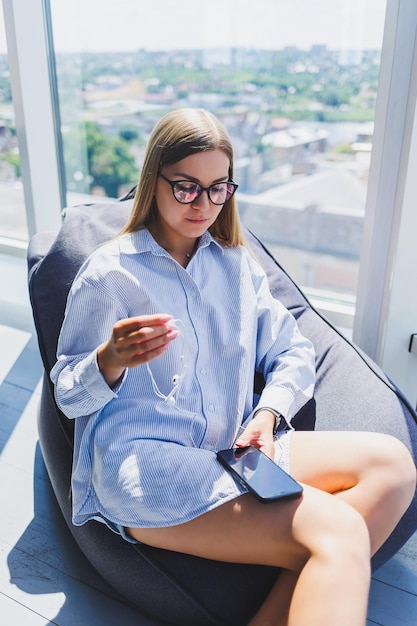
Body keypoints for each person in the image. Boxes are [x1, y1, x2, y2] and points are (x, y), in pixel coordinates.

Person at [51, 108, 416, 626]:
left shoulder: (236, 266)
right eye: (186, 188)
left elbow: (293, 352)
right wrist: (108, 360)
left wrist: (267, 416)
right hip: (147, 466)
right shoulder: (109, 274)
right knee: (338, 532)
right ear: (153, 181)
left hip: (233, 449)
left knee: (393, 466)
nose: (204, 203)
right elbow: (67, 394)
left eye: (218, 187)